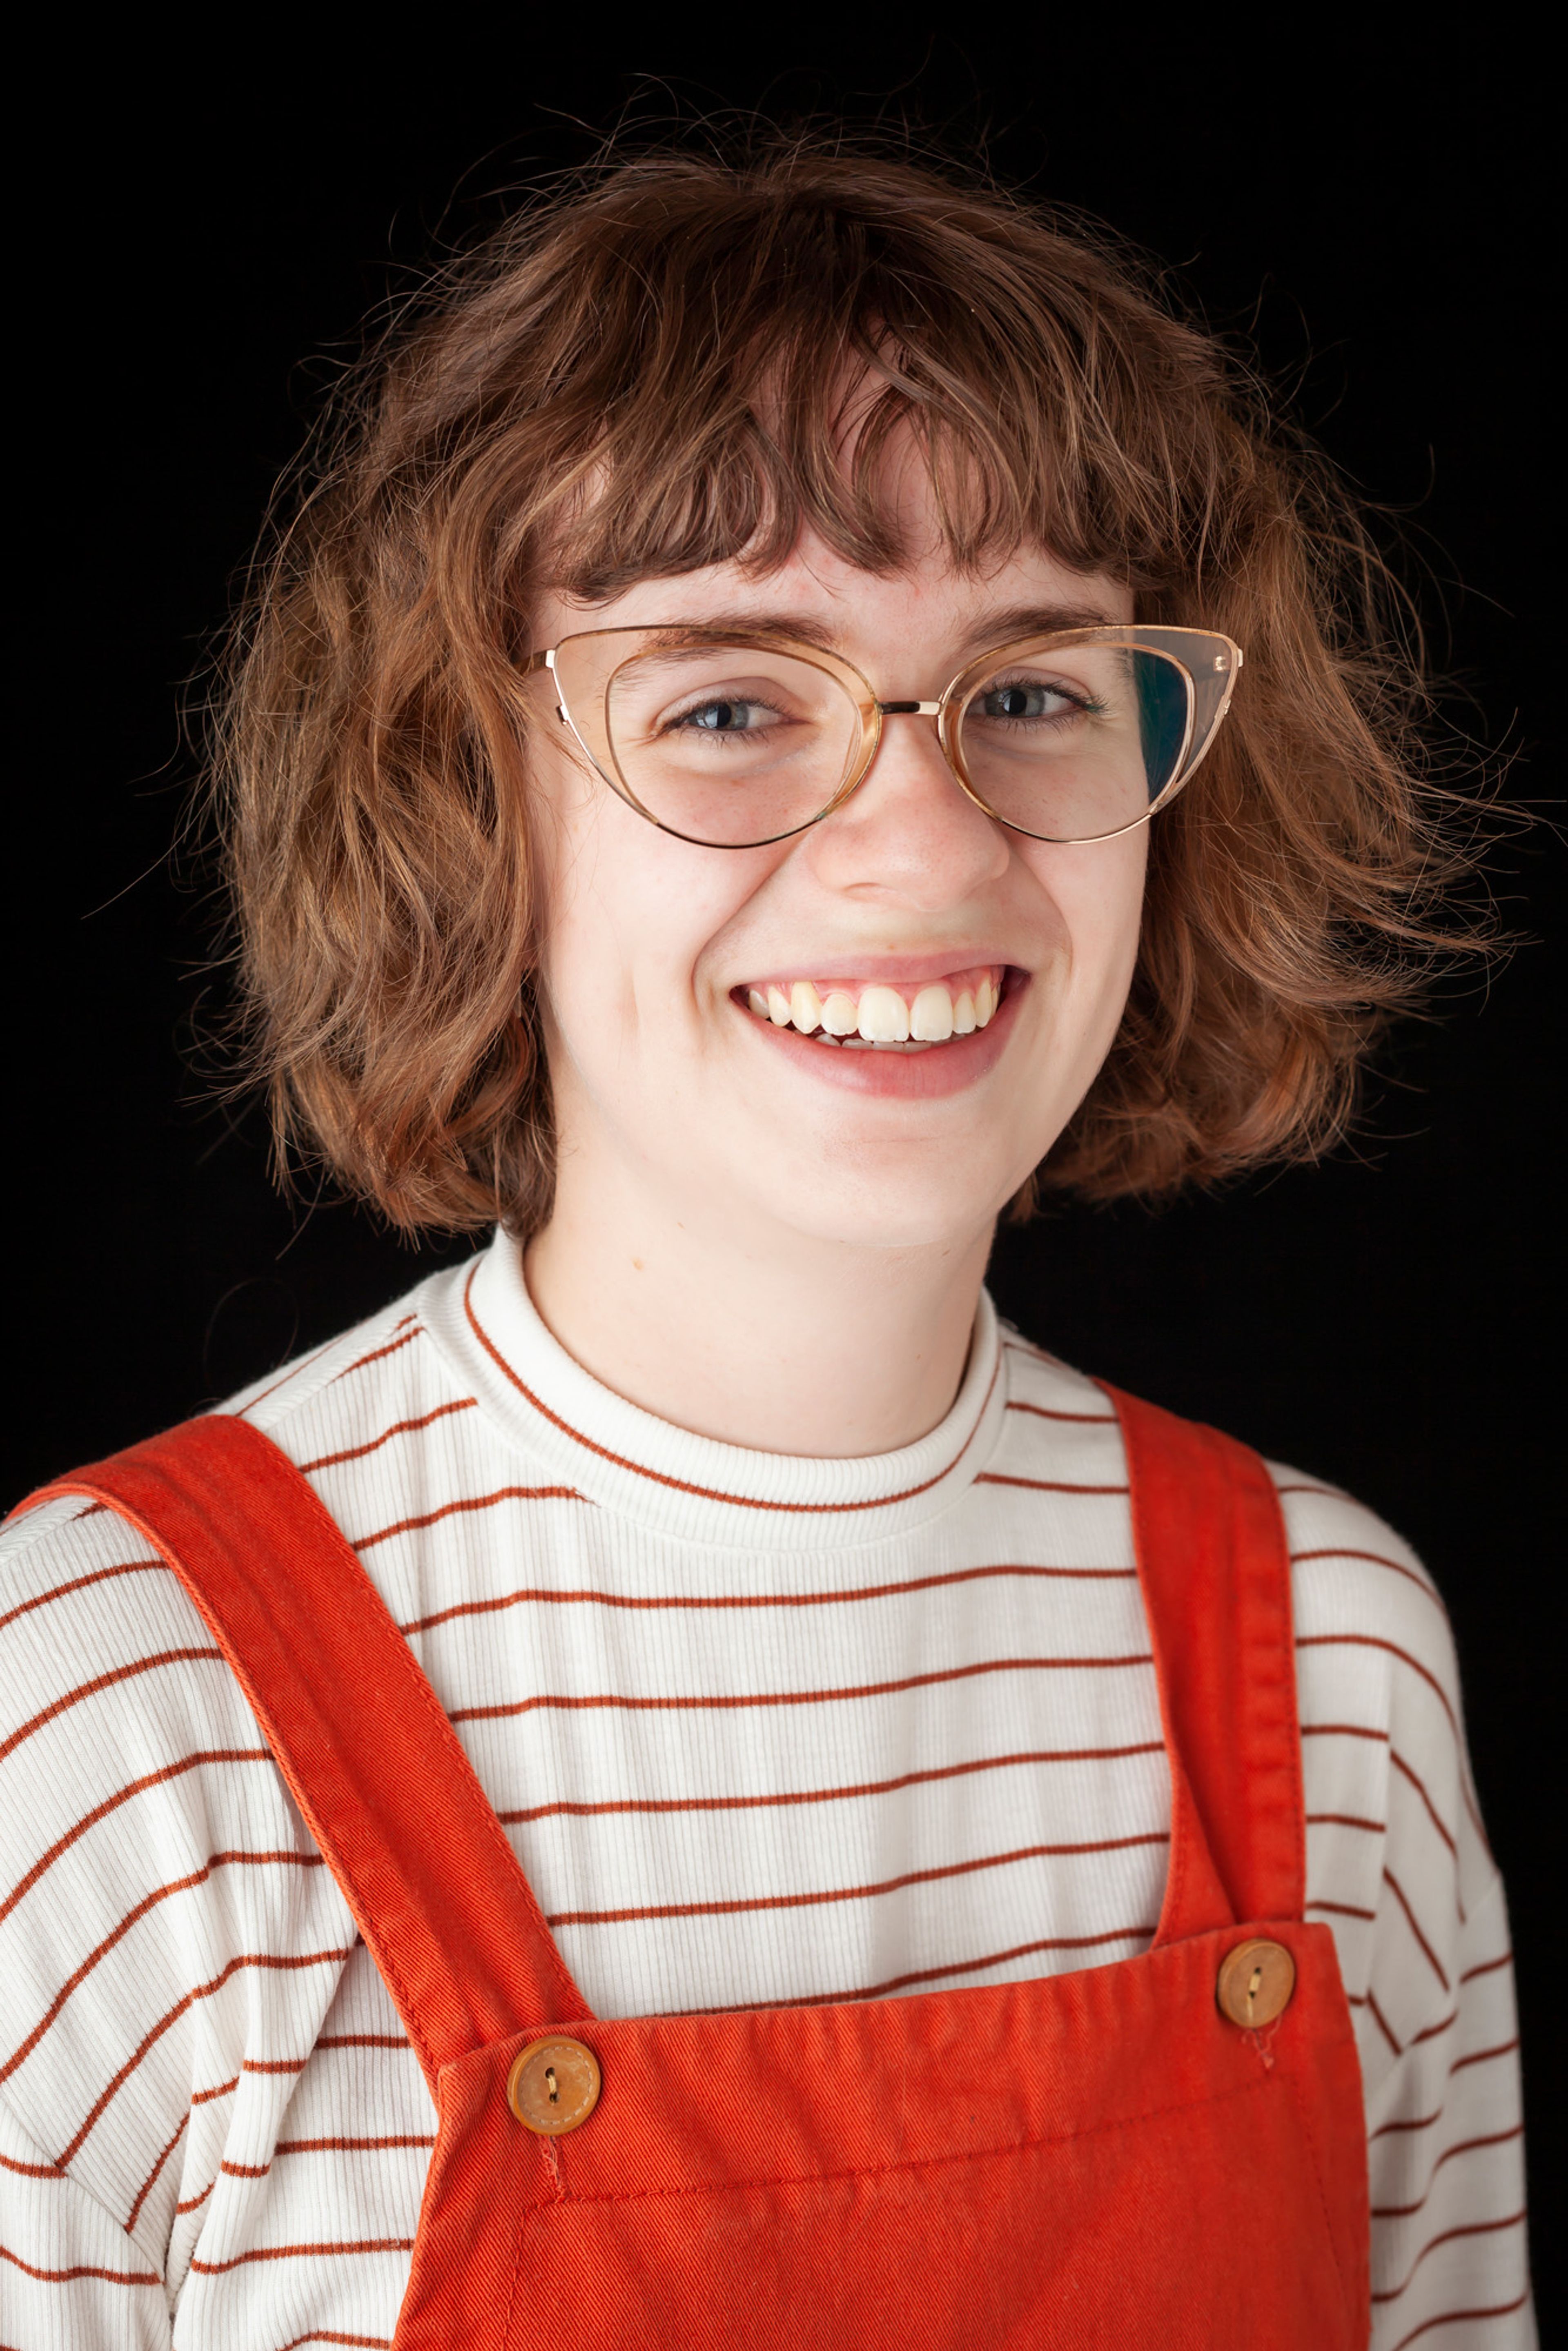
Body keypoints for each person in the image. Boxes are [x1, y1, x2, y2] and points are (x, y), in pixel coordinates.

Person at [0, 141, 1533, 2347]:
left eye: (1030, 692)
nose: (919, 844)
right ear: (464, 796)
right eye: (729, 704)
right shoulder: (112, 1725)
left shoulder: (1339, 1659)